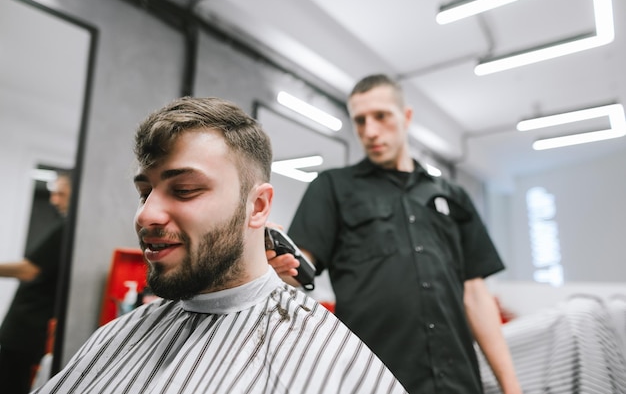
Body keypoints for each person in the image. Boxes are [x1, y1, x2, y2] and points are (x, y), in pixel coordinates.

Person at [33, 97, 407, 394]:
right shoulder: (116, 337)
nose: (145, 216)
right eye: (144, 193)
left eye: (184, 190)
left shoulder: (324, 353)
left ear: (257, 206)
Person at [268, 74, 522, 393]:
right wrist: (276, 265)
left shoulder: (452, 196)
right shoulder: (332, 187)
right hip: (373, 380)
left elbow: (475, 295)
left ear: (406, 117)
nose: (370, 131)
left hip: (457, 381)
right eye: (359, 121)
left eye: (381, 116)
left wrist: (512, 387)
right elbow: (299, 265)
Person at [0, 172, 72, 394]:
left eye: (60, 194)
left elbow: (28, 270)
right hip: (23, 330)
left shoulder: (66, 229)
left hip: (27, 333)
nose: (54, 200)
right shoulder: (63, 228)